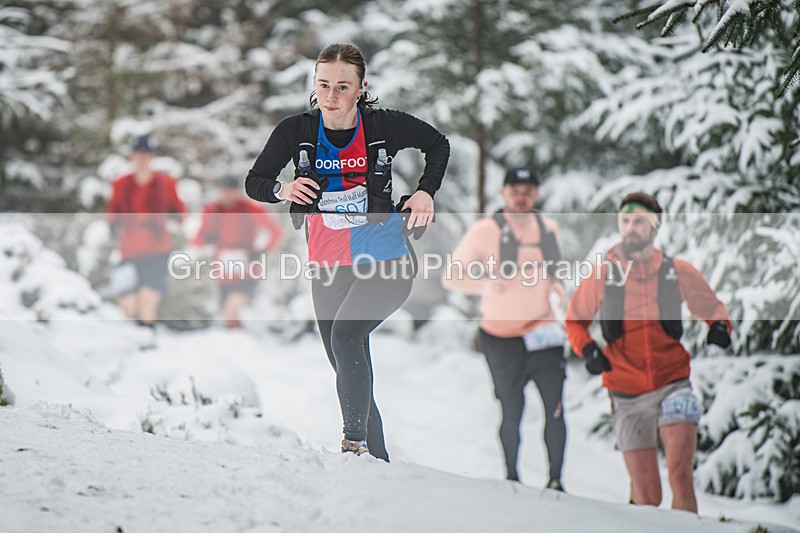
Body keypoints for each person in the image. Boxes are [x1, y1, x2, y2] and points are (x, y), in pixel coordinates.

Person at [245, 43, 449, 459]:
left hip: (385, 258)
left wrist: (425, 192)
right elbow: (256, 181)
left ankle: (353, 446)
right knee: (347, 364)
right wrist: (282, 188)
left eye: (342, 86)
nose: (331, 97)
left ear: (361, 88)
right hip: (328, 264)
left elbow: (438, 144)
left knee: (347, 334)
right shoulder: (296, 131)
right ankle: (377, 462)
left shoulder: (382, 127)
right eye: (323, 85)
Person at [565, 191, 732, 513]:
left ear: (654, 228)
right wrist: (588, 350)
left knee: (681, 476)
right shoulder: (603, 273)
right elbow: (575, 321)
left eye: (639, 222)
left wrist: (720, 326)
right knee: (647, 497)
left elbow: (712, 307)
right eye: (625, 221)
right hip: (625, 392)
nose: (630, 228)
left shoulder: (677, 271)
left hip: (673, 384)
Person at [442, 166, 567, 490]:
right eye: (515, 190)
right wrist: (484, 282)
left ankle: (556, 480)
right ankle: (512, 479)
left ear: (536, 194)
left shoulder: (548, 228)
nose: (521, 196)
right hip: (500, 338)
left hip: (543, 334)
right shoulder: (485, 230)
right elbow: (451, 276)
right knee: (512, 411)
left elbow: (553, 271)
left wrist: (557, 288)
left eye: (528, 191)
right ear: (504, 192)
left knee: (555, 407)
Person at [107, 135, 187, 348]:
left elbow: (179, 209)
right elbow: (113, 211)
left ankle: (147, 341)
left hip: (157, 248)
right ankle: (130, 341)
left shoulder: (165, 183)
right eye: (138, 154)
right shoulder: (121, 183)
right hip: (129, 249)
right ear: (132, 156)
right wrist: (113, 225)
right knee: (128, 303)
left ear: (152, 157)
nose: (142, 159)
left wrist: (174, 216)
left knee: (148, 297)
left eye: (146, 154)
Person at [192, 173, 284, 328]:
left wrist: (263, 251)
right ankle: (238, 341)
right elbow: (197, 240)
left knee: (232, 306)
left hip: (247, 267)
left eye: (230, 190)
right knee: (228, 312)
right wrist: (207, 239)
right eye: (224, 190)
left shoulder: (250, 209)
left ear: (237, 191)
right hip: (224, 270)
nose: (227, 194)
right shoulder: (212, 210)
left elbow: (276, 232)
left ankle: (245, 337)